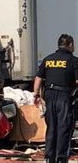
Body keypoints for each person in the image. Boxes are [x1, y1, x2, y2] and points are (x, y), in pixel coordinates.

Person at [33, 34, 78, 163]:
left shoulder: (48, 59)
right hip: (63, 96)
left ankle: (49, 158)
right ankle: (61, 159)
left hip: (49, 96)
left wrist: (35, 95)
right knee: (64, 128)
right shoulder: (73, 60)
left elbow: (38, 78)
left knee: (51, 127)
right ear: (70, 45)